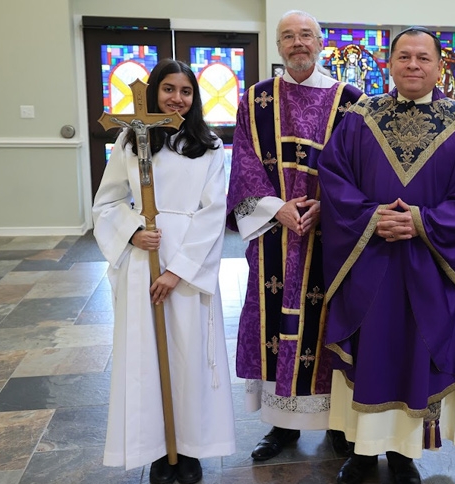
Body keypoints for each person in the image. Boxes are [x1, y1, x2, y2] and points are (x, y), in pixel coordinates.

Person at [319, 26, 455, 484]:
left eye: (423, 58)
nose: (413, 65)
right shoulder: (360, 116)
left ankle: (403, 454)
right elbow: (334, 177)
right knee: (368, 350)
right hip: (368, 260)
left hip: (430, 265)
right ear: (390, 64)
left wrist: (422, 222)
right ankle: (361, 451)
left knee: (417, 352)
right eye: (403, 57)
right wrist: (370, 217)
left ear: (440, 66)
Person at [226, 9, 364, 462]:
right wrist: (277, 208)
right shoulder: (256, 99)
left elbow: (364, 171)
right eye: (289, 36)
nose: (298, 43)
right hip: (274, 237)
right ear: (279, 46)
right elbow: (245, 163)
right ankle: (281, 426)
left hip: (333, 238)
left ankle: (337, 423)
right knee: (272, 325)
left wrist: (329, 207)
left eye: (306, 35)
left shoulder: (353, 101)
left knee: (329, 325)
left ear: (321, 43)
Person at [93, 58, 235, 484]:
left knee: (189, 355)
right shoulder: (130, 143)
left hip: (189, 265)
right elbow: (107, 203)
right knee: (148, 355)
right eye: (169, 89)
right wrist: (135, 231)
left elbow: (214, 213)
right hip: (143, 260)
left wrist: (178, 271)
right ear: (153, 92)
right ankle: (158, 448)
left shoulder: (208, 146)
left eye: (186, 91)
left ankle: (189, 449)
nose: (177, 98)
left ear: (195, 98)